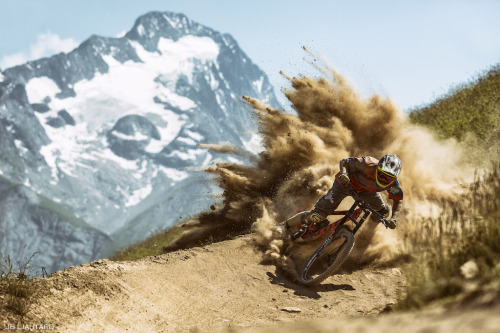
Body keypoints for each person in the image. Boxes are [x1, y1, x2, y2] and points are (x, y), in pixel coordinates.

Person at [284, 154, 403, 233]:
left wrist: (394, 218)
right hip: (344, 185)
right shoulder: (367, 164)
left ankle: (367, 234)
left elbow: (398, 200)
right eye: (382, 175)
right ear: (378, 168)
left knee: (383, 212)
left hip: (366, 192)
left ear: (394, 178)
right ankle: (285, 226)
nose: (384, 180)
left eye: (388, 178)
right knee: (317, 216)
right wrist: (345, 174)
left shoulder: (392, 186)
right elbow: (344, 162)